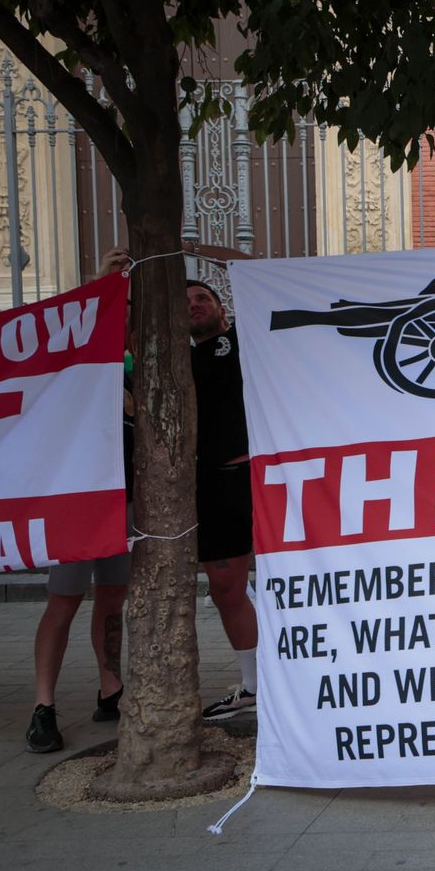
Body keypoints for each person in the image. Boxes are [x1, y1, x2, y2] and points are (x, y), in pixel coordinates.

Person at [26, 250, 134, 753]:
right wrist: (96, 284)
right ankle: (42, 707)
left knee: (112, 598)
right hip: (77, 497)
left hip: (122, 497)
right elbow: (51, 339)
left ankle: (109, 688)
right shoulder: (75, 358)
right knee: (63, 602)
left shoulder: (138, 358)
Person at [188, 280, 260, 720]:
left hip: (260, 477)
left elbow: (262, 274)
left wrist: (192, 248)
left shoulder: (242, 338)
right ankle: (253, 687)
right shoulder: (174, 360)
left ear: (221, 307)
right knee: (226, 588)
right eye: (185, 304)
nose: (194, 307)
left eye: (202, 299)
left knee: (288, 580)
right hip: (210, 483)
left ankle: (305, 676)